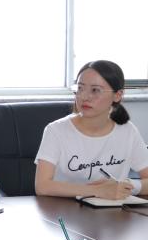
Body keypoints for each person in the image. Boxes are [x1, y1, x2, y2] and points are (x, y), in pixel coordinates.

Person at [35, 60, 148, 199]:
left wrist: (126, 186)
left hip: (112, 211)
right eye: (80, 88)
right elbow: (42, 186)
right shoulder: (56, 130)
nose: (84, 97)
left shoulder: (128, 131)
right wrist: (98, 191)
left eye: (95, 90)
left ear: (117, 95)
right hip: (63, 209)